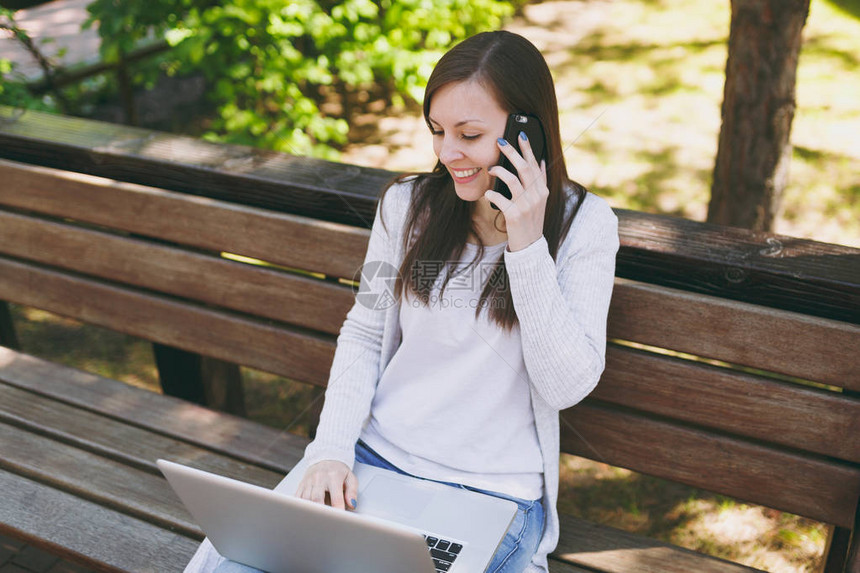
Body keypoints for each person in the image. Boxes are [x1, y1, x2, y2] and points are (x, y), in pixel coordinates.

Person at [186, 29, 618, 573]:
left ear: (527, 131)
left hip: (491, 492)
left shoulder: (585, 227)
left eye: (470, 134)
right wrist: (329, 451)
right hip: (375, 462)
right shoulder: (407, 206)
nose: (447, 153)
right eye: (438, 131)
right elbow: (365, 334)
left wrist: (526, 244)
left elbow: (565, 384)